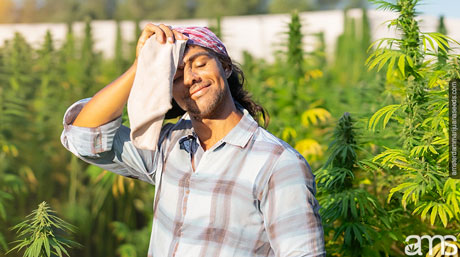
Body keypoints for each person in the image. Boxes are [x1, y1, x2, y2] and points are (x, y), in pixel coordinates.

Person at [61, 23, 326, 257]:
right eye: (176, 76)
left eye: (200, 64)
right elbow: (84, 136)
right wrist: (141, 66)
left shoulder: (277, 165)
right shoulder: (167, 146)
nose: (191, 78)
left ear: (224, 65)